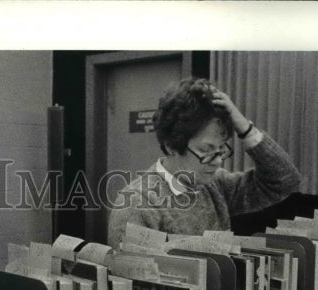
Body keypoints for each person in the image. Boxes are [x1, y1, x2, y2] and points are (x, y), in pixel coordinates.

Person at [107, 78, 301, 248]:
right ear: (171, 146)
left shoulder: (217, 185)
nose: (217, 162)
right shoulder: (137, 205)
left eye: (221, 150)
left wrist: (245, 128)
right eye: (206, 151)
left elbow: (285, 181)